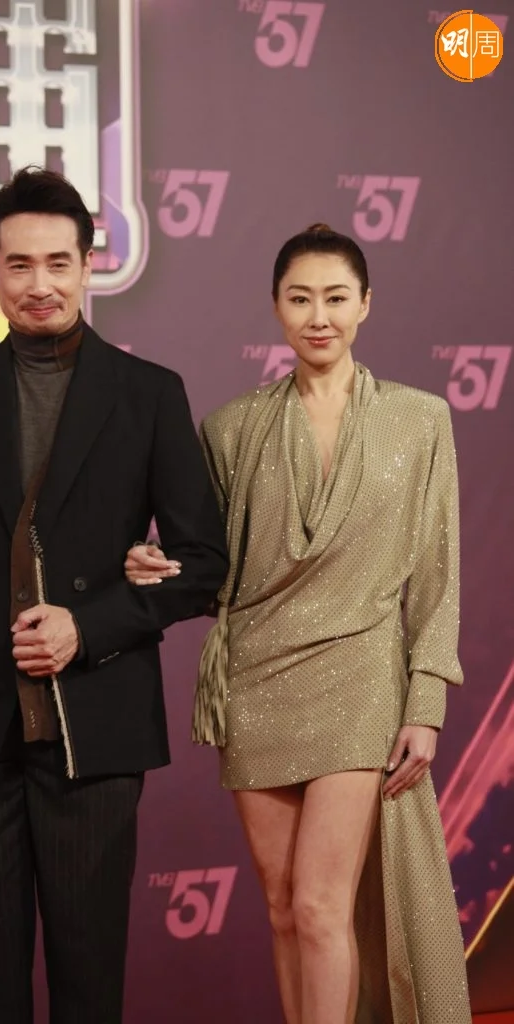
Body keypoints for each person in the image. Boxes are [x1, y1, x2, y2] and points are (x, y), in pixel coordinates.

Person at [0, 166, 228, 1024]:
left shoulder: (148, 394)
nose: (40, 283)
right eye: (20, 264)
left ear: (87, 265)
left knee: (89, 993)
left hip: (94, 733)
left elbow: (202, 562)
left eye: (58, 263)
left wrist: (92, 624)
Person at [125, 224, 471, 1024]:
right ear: (275, 307)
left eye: (336, 298)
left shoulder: (420, 421)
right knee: (283, 907)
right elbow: (211, 564)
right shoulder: (230, 428)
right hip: (256, 681)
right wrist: (154, 564)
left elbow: (436, 571)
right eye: (300, 298)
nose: (319, 316)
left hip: (359, 679)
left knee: (320, 904)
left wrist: (424, 701)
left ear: (365, 305)